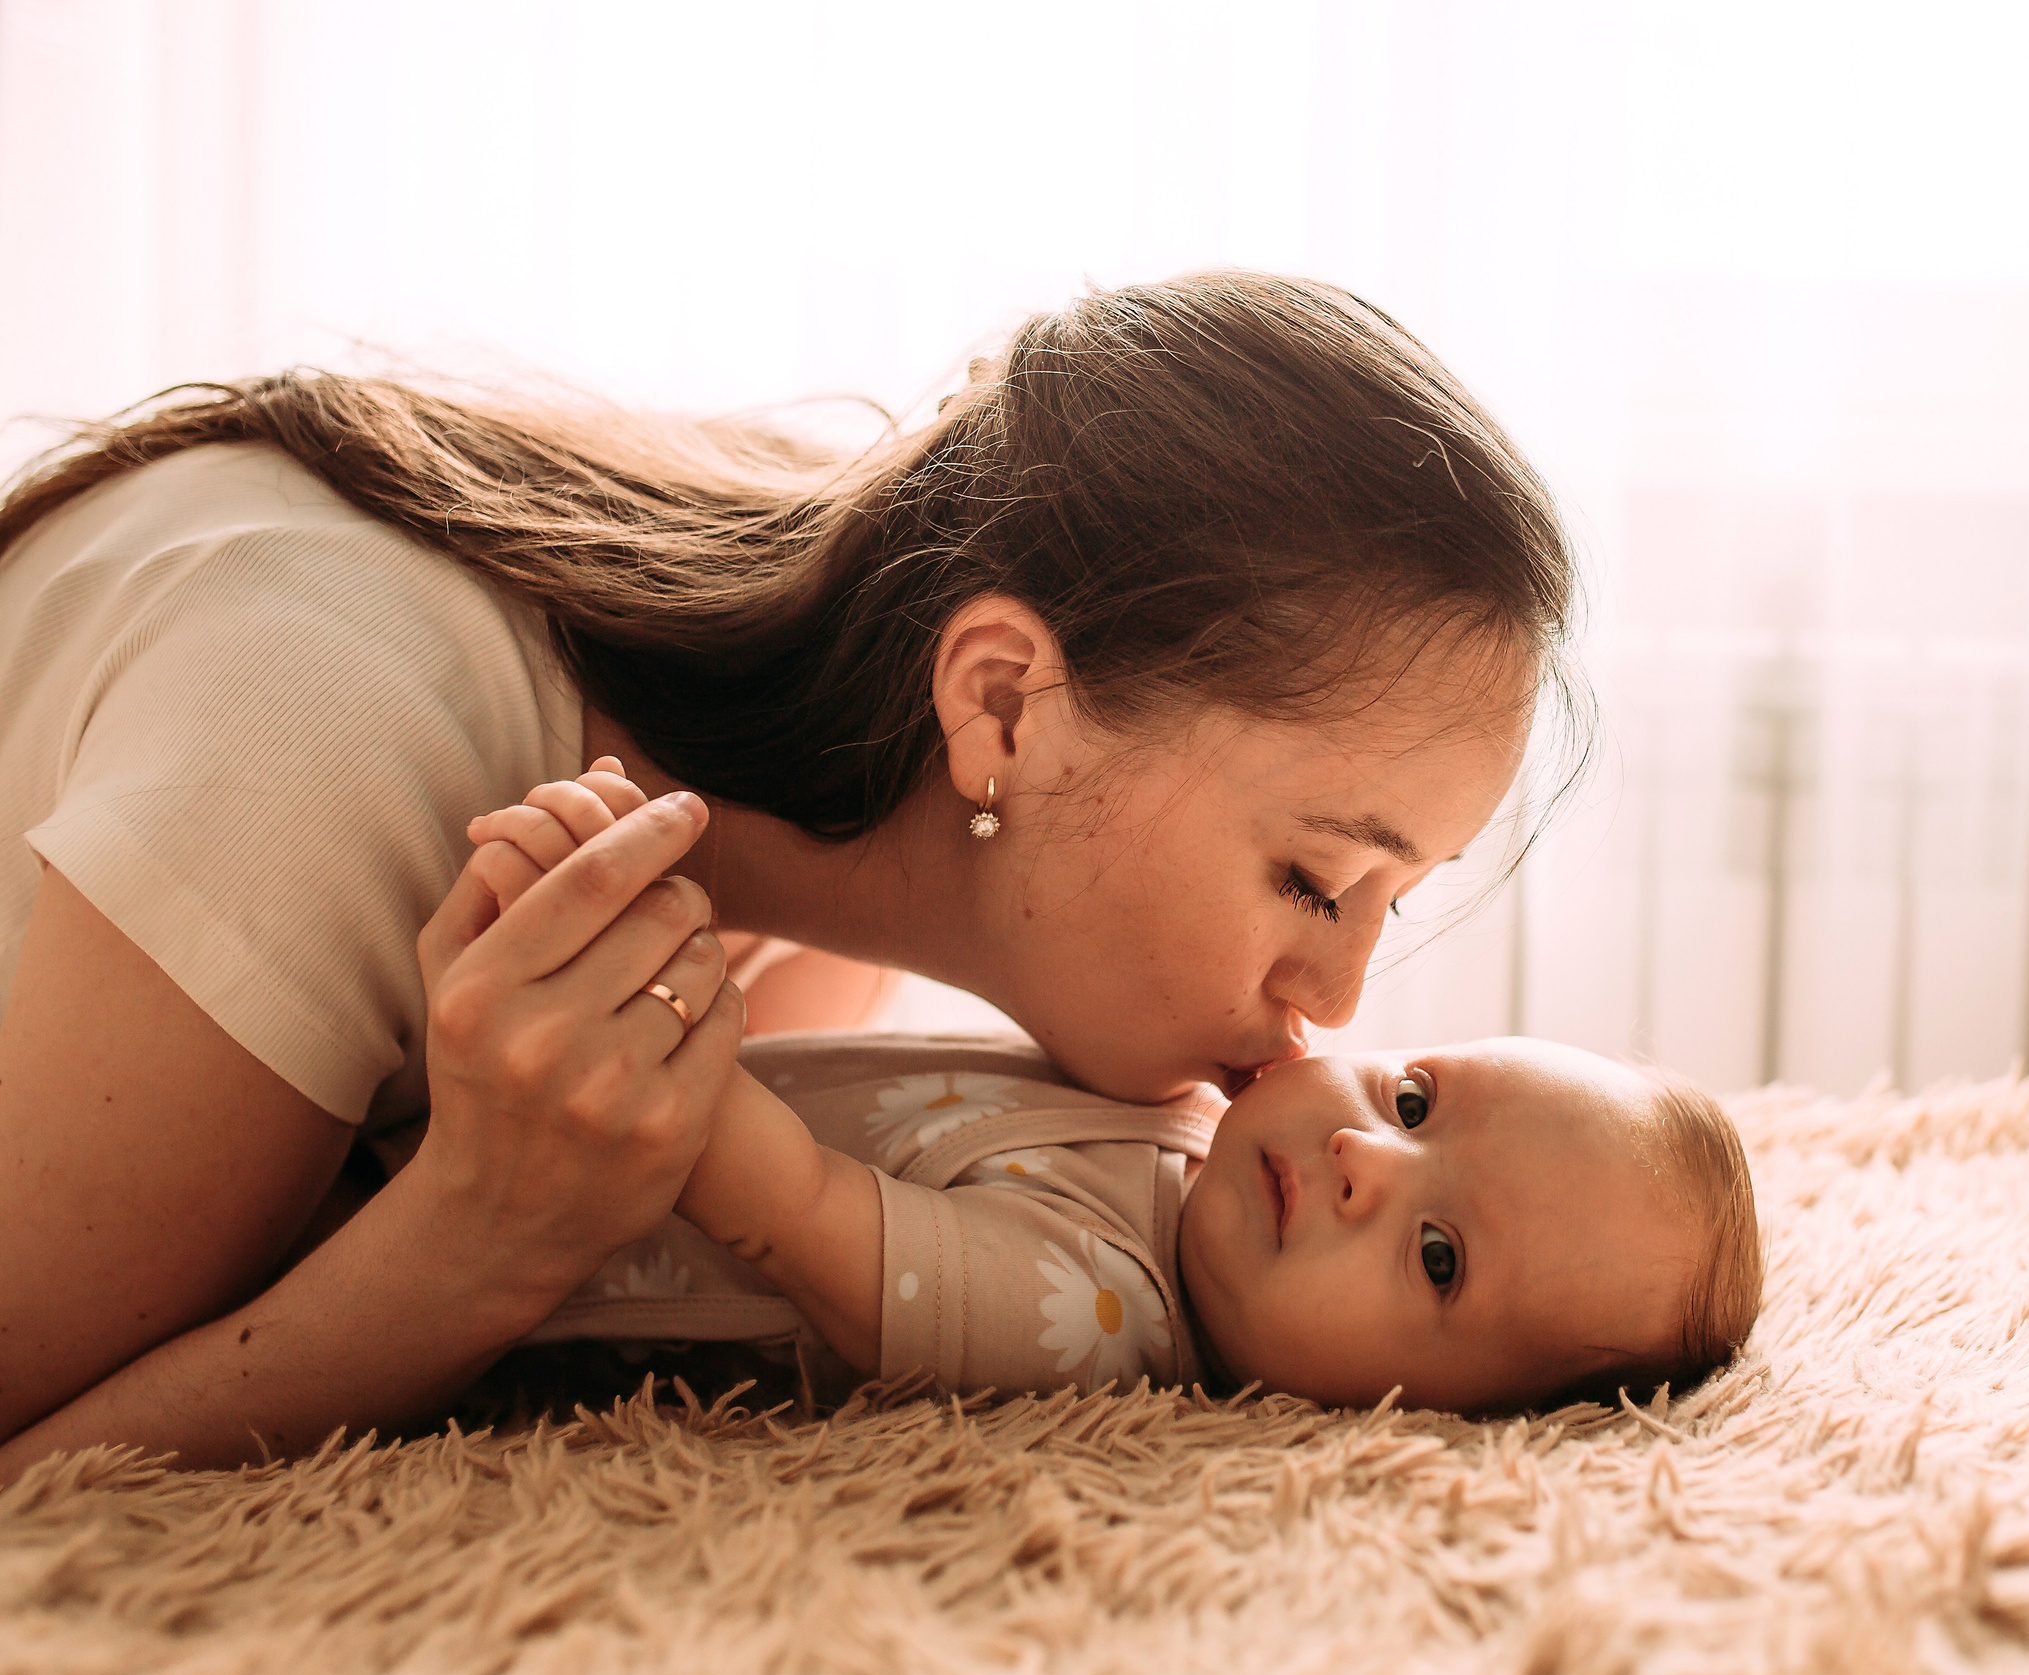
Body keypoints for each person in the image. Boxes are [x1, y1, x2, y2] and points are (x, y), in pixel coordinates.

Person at [0, 274, 1582, 1479]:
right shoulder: (328, 735)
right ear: (1004, 705)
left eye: (1397, 901)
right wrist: (486, 1233)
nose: (1340, 1001)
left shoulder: (821, 737)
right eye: (1315, 880)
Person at [460, 764, 1764, 1413]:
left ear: (1408, 1423)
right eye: (1416, 1103)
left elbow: (784, 1206)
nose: (1370, 1158)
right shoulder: (1186, 1140)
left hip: (512, 1262)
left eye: (1437, 1257)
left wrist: (640, 976)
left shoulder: (1089, 1313)